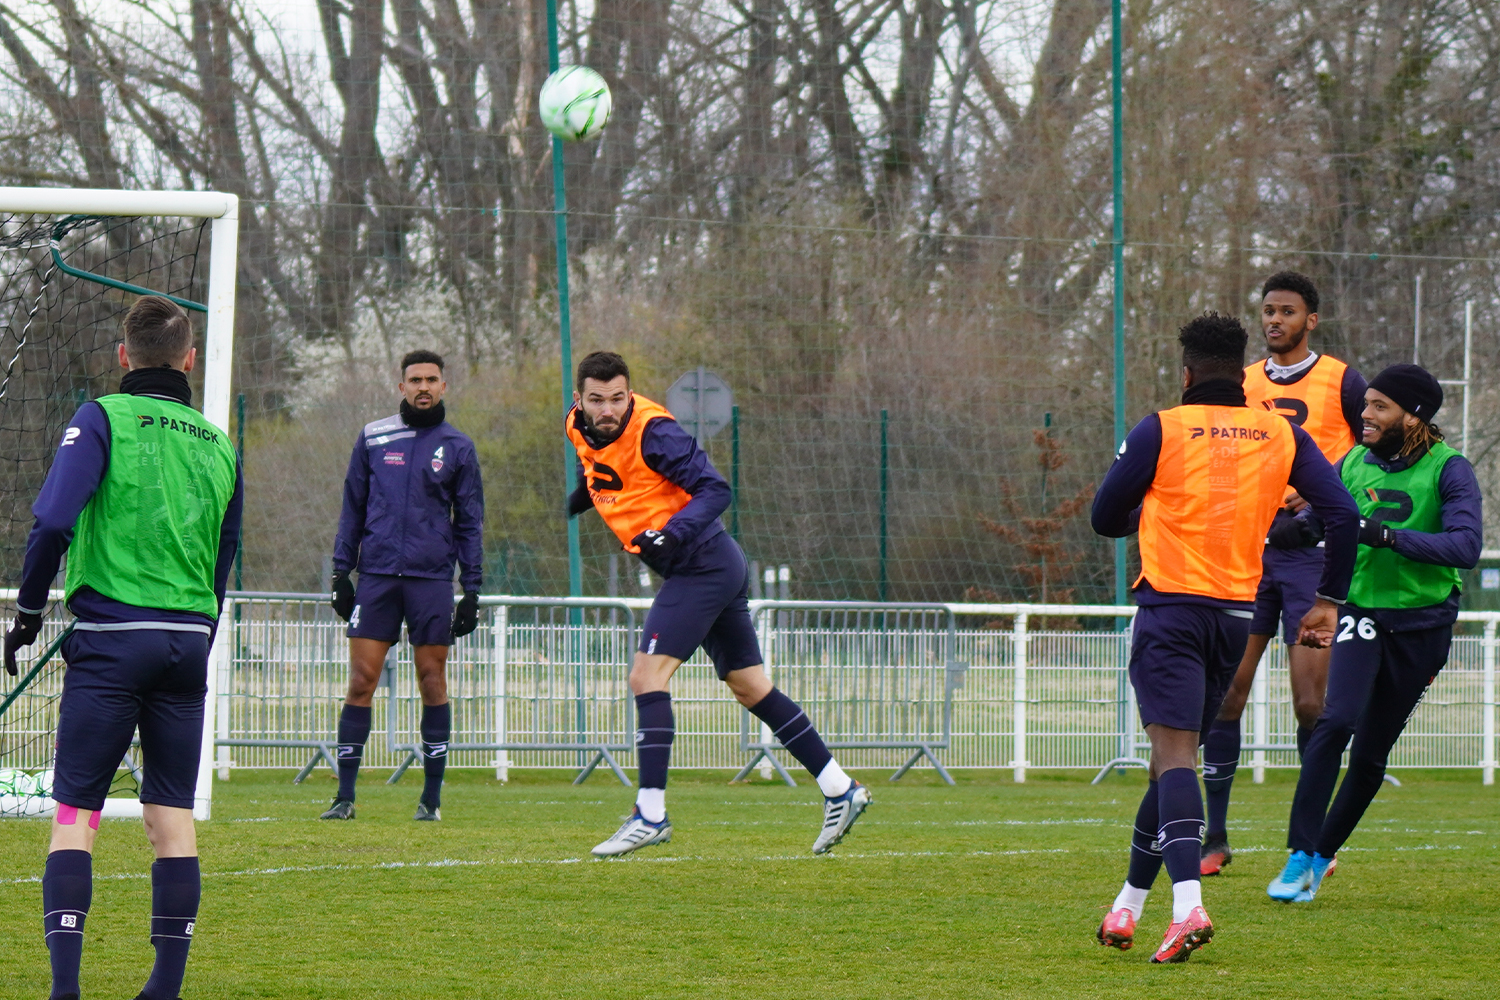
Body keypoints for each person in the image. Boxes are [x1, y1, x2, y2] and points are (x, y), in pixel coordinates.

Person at [1090, 313, 1357, 963]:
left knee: (1175, 756)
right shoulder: (1280, 432)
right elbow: (1343, 512)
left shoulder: (1161, 428)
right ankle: (1128, 902)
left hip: (1171, 612)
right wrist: (1328, 600)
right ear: (1239, 373)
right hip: (1235, 621)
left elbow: (1104, 518)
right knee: (1168, 762)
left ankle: (1186, 907)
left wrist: (1149, 498)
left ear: (1185, 373)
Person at [2, 296, 243, 1000]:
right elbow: (225, 556)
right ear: (189, 358)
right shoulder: (219, 442)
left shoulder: (101, 417)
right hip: (187, 644)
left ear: (122, 355)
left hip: (111, 641)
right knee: (171, 818)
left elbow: (50, 522)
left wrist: (26, 612)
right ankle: (162, 991)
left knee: (77, 813)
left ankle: (66, 990)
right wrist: (199, 631)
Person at [565, 351, 869, 857]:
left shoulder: (654, 431)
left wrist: (670, 532)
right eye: (597, 400)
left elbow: (714, 488)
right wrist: (582, 497)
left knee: (646, 677)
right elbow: (601, 470)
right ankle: (841, 788)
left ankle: (651, 814)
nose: (608, 409)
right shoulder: (577, 425)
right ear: (579, 401)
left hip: (701, 562)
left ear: (629, 394)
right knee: (750, 687)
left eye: (618, 398)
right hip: (713, 564)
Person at [1269, 364, 1481, 903]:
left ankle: (1320, 858)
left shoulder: (1449, 469)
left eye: (1380, 406)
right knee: (1334, 719)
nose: (1366, 414)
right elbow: (1320, 521)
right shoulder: (1354, 463)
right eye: (1366, 403)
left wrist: (1385, 535)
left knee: (1370, 755)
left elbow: (1465, 548)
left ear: (1415, 417)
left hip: (1423, 624)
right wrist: (1267, 529)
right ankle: (1299, 853)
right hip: (1362, 612)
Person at [1199, 271, 1368, 875]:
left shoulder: (1342, 379)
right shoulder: (1242, 383)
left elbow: (1370, 443)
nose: (1275, 321)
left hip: (1309, 557)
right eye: (1268, 311)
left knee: (1309, 702)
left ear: (1310, 320)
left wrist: (1321, 484)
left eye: (1287, 312)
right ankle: (1214, 837)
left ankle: (1310, 843)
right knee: (1225, 695)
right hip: (1249, 551)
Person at [322, 350, 484, 822]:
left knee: (432, 682)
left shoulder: (458, 447)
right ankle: (344, 798)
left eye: (432, 379)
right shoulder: (374, 437)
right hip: (375, 578)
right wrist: (340, 572)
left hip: (431, 580)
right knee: (360, 682)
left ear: (444, 386)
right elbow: (353, 506)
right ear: (401, 387)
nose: (423, 387)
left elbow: (470, 523)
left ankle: (430, 801)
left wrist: (471, 590)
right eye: (415, 380)